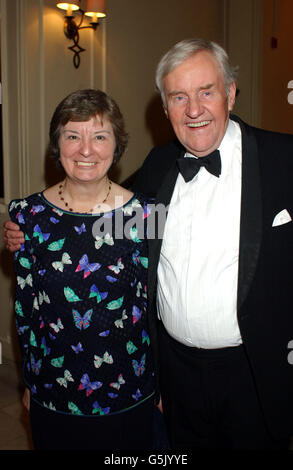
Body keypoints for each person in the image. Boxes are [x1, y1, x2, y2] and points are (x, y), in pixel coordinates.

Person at [4, 39, 293, 450]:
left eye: (206, 92)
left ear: (230, 92)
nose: (193, 109)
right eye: (179, 97)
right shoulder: (156, 170)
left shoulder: (284, 159)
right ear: (165, 107)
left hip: (253, 372)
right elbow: (91, 228)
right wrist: (20, 231)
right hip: (175, 376)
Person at [5, 89, 156, 451]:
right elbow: (26, 312)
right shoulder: (28, 217)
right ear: (57, 145)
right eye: (73, 135)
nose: (86, 150)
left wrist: (162, 386)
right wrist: (31, 382)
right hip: (54, 393)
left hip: (130, 391)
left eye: (100, 136)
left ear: (116, 145)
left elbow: (159, 306)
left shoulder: (146, 215)